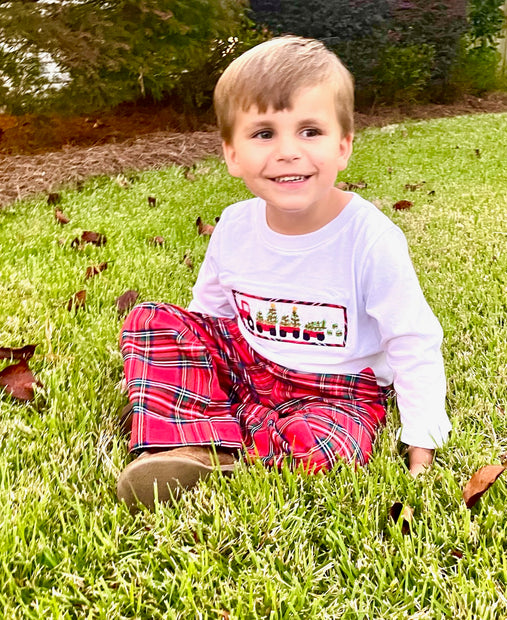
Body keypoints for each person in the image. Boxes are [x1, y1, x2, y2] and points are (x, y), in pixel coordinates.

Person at [116, 36, 451, 511]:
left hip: (337, 389)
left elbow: (412, 342)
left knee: (329, 446)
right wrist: (194, 366)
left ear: (344, 146)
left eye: (310, 131)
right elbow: (206, 315)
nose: (288, 151)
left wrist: (422, 442)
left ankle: (224, 446)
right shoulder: (234, 226)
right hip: (252, 364)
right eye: (264, 133)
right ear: (232, 154)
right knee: (151, 319)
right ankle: (194, 443)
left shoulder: (371, 239)